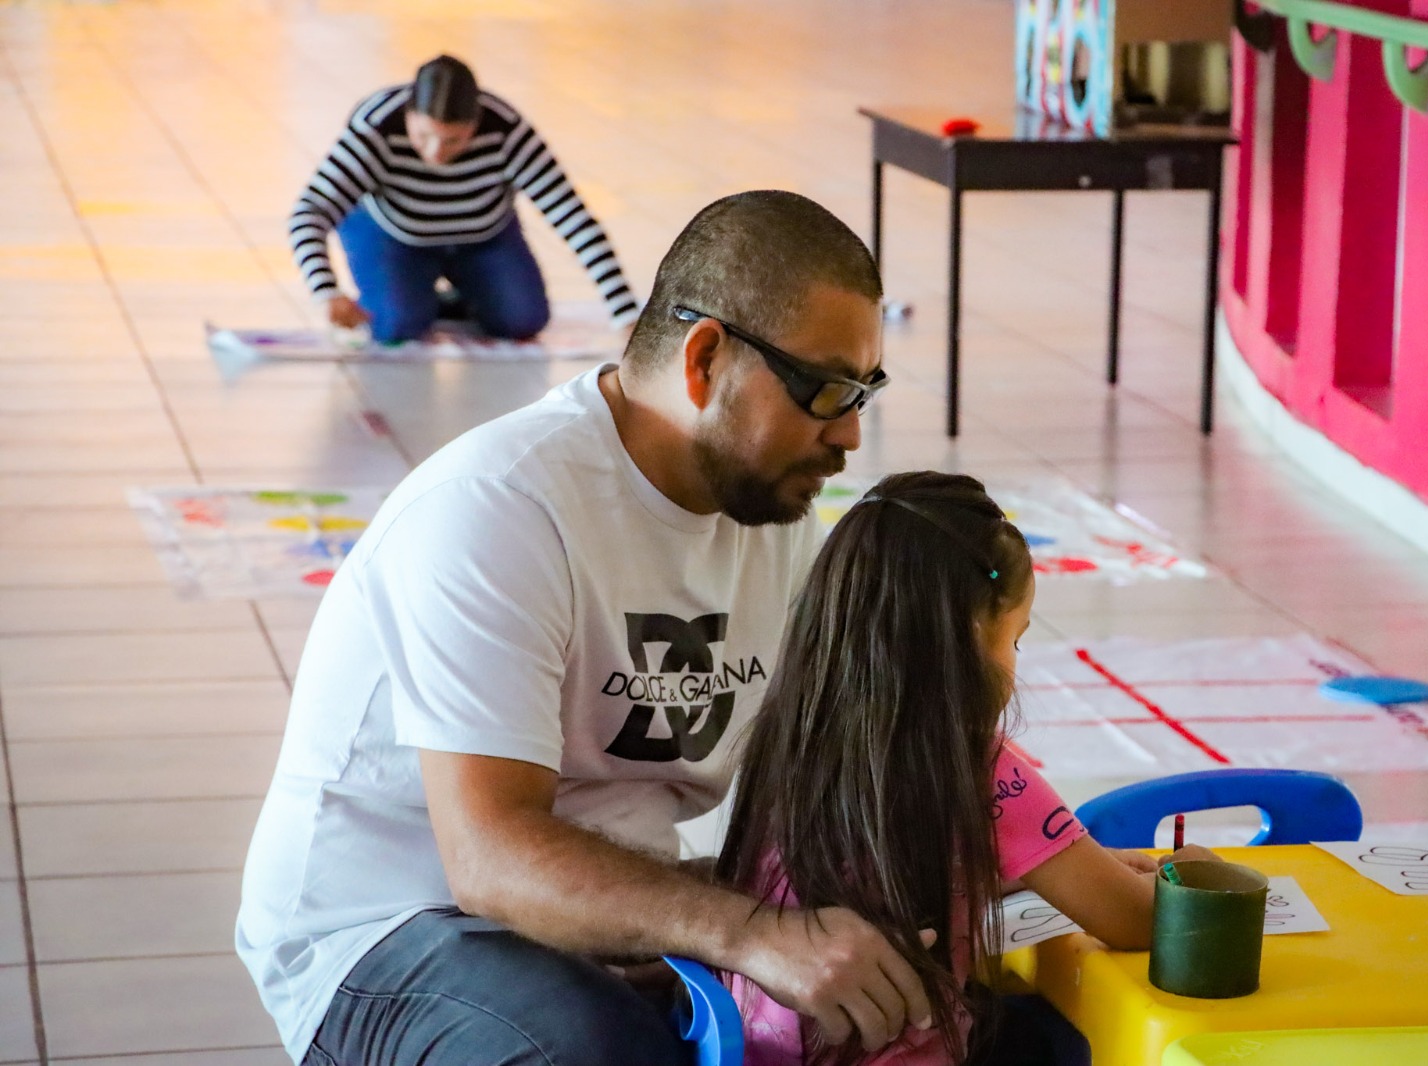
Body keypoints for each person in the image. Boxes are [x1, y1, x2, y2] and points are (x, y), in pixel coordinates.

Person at [237, 189, 920, 1066]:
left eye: (865, 391)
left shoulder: (774, 524)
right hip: (391, 927)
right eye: (827, 391)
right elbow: (490, 858)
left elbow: (835, 767)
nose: (851, 434)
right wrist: (747, 931)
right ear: (706, 359)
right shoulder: (499, 506)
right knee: (590, 1050)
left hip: (603, 915)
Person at [716, 471, 1221, 1066]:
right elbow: (1138, 922)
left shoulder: (795, 733)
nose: (1015, 661)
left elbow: (879, 875)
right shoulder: (976, 768)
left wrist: (1042, 872)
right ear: (973, 635)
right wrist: (1194, 870)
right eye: (1016, 639)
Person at [289, 54, 637, 343]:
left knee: (522, 320)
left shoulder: (506, 128)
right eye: (423, 135)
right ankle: (417, 296)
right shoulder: (376, 126)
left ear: (475, 122)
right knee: (396, 325)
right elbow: (308, 212)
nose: (436, 152)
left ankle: (447, 294)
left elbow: (572, 217)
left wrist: (625, 315)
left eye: (453, 140)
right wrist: (326, 290)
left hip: (481, 236)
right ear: (409, 114)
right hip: (392, 233)